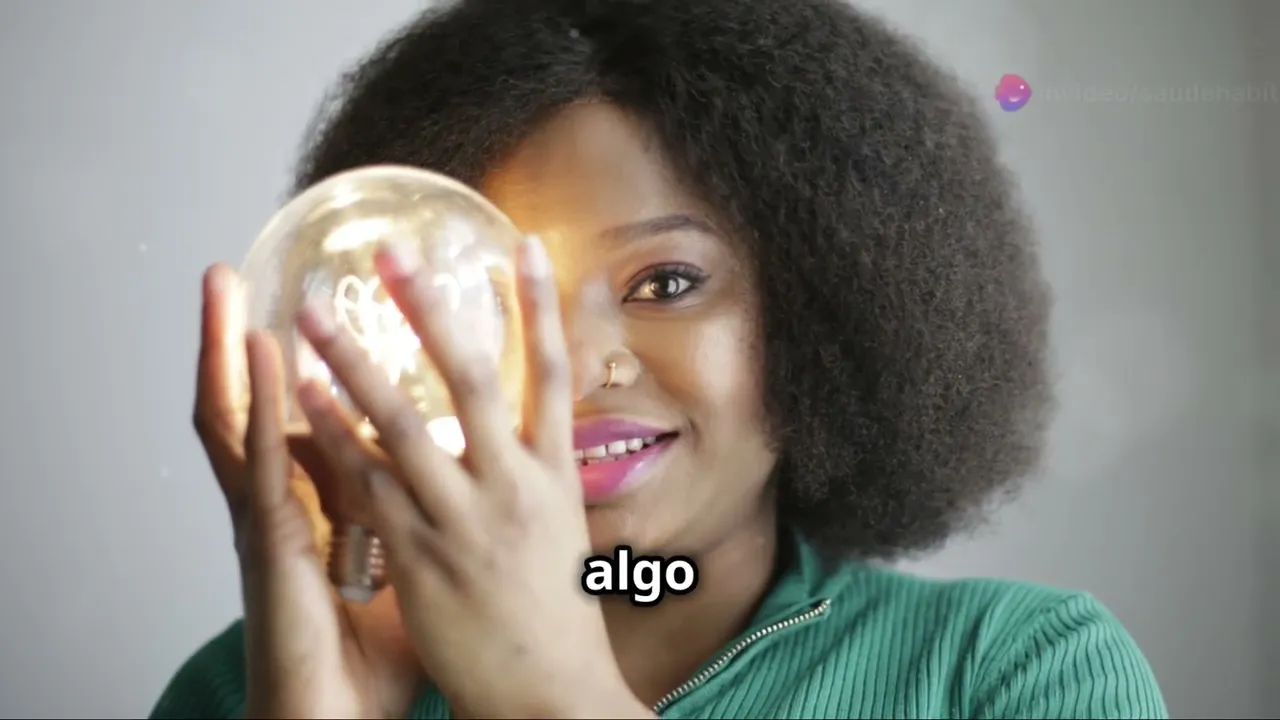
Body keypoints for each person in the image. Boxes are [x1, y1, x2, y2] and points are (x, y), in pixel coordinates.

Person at [151, 0, 1167, 718]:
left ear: (817, 313)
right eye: (494, 299)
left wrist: (555, 699)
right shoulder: (247, 691)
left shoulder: (1013, 673)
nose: (580, 362)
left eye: (667, 282)